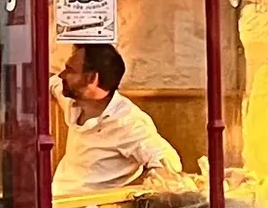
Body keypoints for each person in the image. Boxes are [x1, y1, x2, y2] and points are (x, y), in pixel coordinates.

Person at [53, 41, 182, 194]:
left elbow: (167, 160)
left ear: (91, 78)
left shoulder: (128, 121)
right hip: (56, 203)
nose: (62, 75)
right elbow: (51, 82)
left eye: (70, 70)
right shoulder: (72, 98)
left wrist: (149, 186)